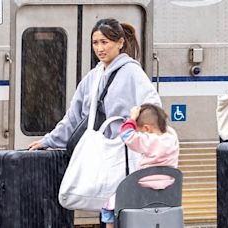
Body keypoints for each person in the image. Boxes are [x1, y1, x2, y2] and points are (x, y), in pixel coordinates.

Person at [27, 18, 161, 225]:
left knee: (123, 211)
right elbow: (74, 117)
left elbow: (153, 108)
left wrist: (134, 129)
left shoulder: (133, 73)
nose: (99, 48)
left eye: (105, 42)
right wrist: (48, 141)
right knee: (110, 210)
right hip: (104, 155)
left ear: (120, 43)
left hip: (125, 154)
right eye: (95, 43)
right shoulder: (93, 76)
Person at [102, 103, 180, 228]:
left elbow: (126, 134)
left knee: (109, 203)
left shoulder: (148, 141)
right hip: (168, 193)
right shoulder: (172, 137)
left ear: (147, 129)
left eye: (140, 131)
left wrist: (132, 118)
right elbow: (163, 126)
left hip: (143, 191)